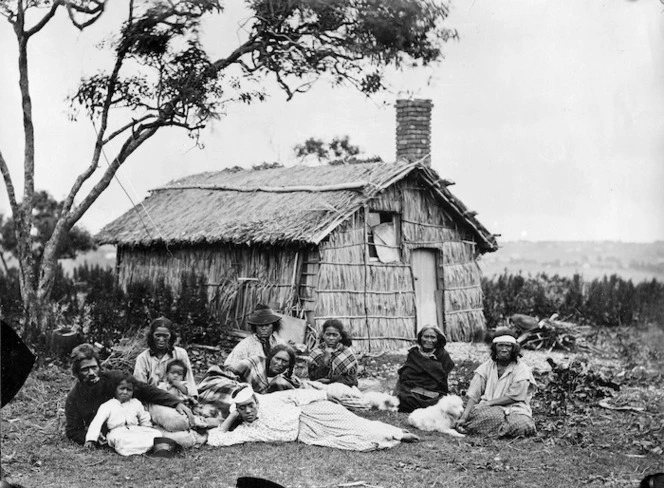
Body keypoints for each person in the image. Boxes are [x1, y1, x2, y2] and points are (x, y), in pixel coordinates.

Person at [207, 385, 419, 451]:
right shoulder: (247, 430)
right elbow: (217, 438)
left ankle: (397, 432)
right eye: (243, 409)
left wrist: (325, 395)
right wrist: (233, 416)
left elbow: (296, 394)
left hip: (313, 412)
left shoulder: (270, 400)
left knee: (357, 424)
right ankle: (391, 436)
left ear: (257, 402)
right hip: (306, 433)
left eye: (251, 405)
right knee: (353, 441)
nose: (249, 411)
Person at [65, 343, 193, 446]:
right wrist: (90, 436)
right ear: (76, 373)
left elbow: (145, 389)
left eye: (94, 367)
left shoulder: (114, 378)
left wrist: (175, 402)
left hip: (143, 412)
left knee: (179, 421)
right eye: (85, 370)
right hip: (126, 432)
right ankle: (201, 435)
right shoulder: (74, 397)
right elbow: (73, 430)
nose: (91, 373)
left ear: (100, 366)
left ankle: (201, 422)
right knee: (184, 439)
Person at [456, 330, 537, 438]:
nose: (504, 349)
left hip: (516, 408)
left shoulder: (522, 369)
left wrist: (489, 403)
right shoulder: (486, 367)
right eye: (500, 345)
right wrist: (464, 417)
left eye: (508, 346)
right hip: (488, 410)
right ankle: (503, 431)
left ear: (514, 349)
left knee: (521, 424)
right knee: (489, 416)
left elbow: (515, 396)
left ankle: (489, 430)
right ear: (495, 348)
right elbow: (474, 395)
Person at [133, 317, 198, 432]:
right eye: (157, 335)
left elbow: (190, 383)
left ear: (171, 336)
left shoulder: (180, 354)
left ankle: (159, 431)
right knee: (179, 422)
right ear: (151, 336)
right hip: (154, 403)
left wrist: (190, 403)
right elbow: (141, 391)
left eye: (165, 336)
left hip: (181, 399)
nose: (161, 339)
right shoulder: (143, 358)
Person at [84, 372, 162, 456]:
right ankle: (141, 449)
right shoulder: (108, 405)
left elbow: (144, 417)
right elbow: (97, 422)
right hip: (117, 432)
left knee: (156, 434)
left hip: (134, 430)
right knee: (121, 440)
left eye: (129, 390)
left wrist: (146, 428)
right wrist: (91, 439)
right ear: (115, 389)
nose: (125, 392)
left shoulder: (135, 403)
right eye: (122, 388)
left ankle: (140, 448)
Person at [396, 325, 455, 413]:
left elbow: (443, 380)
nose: (428, 340)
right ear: (420, 337)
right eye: (426, 336)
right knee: (404, 398)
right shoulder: (413, 353)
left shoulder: (442, 355)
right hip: (412, 390)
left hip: (432, 392)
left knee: (441, 401)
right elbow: (404, 376)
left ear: (438, 339)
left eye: (432, 337)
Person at [158, 359, 221, 430]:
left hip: (187, 407)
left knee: (203, 415)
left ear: (183, 377)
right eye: (172, 373)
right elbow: (159, 396)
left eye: (179, 374)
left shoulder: (184, 384)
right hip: (171, 409)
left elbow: (186, 392)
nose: (175, 376)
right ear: (167, 374)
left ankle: (213, 422)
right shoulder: (162, 385)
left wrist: (177, 384)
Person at [224, 305, 284, 370]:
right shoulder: (246, 344)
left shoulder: (279, 343)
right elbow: (229, 364)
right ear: (255, 327)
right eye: (260, 325)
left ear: (273, 325)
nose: (264, 328)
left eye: (267, 325)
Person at [231, 344, 301, 394]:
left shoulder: (283, 380)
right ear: (270, 358)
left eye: (284, 361)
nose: (279, 363)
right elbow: (229, 373)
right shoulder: (255, 363)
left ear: (289, 365)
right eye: (277, 359)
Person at [308, 319, 358, 387]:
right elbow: (312, 378)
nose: (331, 338)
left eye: (335, 335)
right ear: (323, 335)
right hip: (319, 388)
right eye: (328, 334)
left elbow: (352, 380)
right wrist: (325, 360)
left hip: (343, 388)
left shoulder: (347, 354)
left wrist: (331, 380)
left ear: (340, 336)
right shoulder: (316, 352)